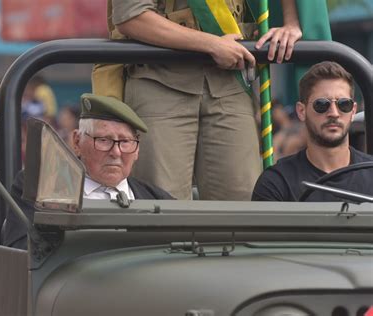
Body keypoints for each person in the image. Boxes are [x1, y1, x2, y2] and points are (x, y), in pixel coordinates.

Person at [111, 0, 302, 200]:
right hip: (160, 79)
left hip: (231, 81)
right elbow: (131, 16)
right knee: (162, 207)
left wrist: (292, 23)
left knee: (241, 208)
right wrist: (210, 44)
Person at [3, 93, 173, 248]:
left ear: (137, 150)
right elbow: (20, 252)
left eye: (125, 142)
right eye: (104, 140)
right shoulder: (39, 189)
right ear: (77, 142)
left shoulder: (160, 201)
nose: (116, 152)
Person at [252, 61, 373, 201]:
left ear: (353, 111)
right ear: (301, 111)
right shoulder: (277, 182)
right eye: (321, 104)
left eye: (343, 104)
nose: (334, 113)